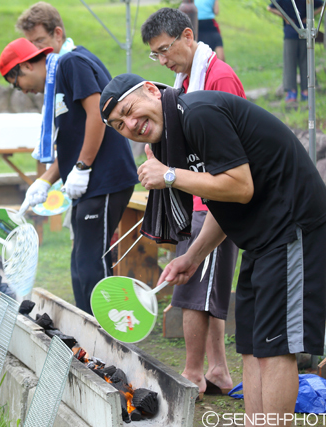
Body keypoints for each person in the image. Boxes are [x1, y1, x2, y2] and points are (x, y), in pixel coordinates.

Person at [100, 74, 326, 425]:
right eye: (120, 125)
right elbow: (221, 200)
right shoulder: (173, 137)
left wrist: (169, 175)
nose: (130, 125)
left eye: (129, 111)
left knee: (276, 347)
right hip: (260, 236)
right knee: (253, 346)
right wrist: (192, 257)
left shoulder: (198, 114)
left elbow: (240, 186)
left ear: (151, 90)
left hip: (292, 224)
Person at [141, 7, 246, 398]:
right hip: (197, 197)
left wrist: (173, 173)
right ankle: (216, 369)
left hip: (215, 201)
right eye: (156, 55)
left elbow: (225, 151)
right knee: (208, 290)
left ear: (188, 37)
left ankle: (193, 373)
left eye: (166, 50)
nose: (164, 60)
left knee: (192, 292)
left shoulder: (217, 77)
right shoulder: (187, 78)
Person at [0, 35, 139, 315]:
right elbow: (74, 140)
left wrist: (83, 166)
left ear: (24, 67)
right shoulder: (58, 79)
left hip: (105, 178)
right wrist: (44, 181)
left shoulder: (71, 63)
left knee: (90, 261)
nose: (23, 92)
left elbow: (97, 112)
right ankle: (86, 328)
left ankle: (103, 332)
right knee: (79, 261)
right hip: (91, 183)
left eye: (17, 85)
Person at [268, 0, 323, 104]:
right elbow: (270, 7)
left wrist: (308, 18)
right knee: (300, 61)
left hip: (301, 32)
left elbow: (270, 8)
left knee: (298, 62)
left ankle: (299, 92)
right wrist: (286, 18)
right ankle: (298, 92)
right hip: (295, 32)